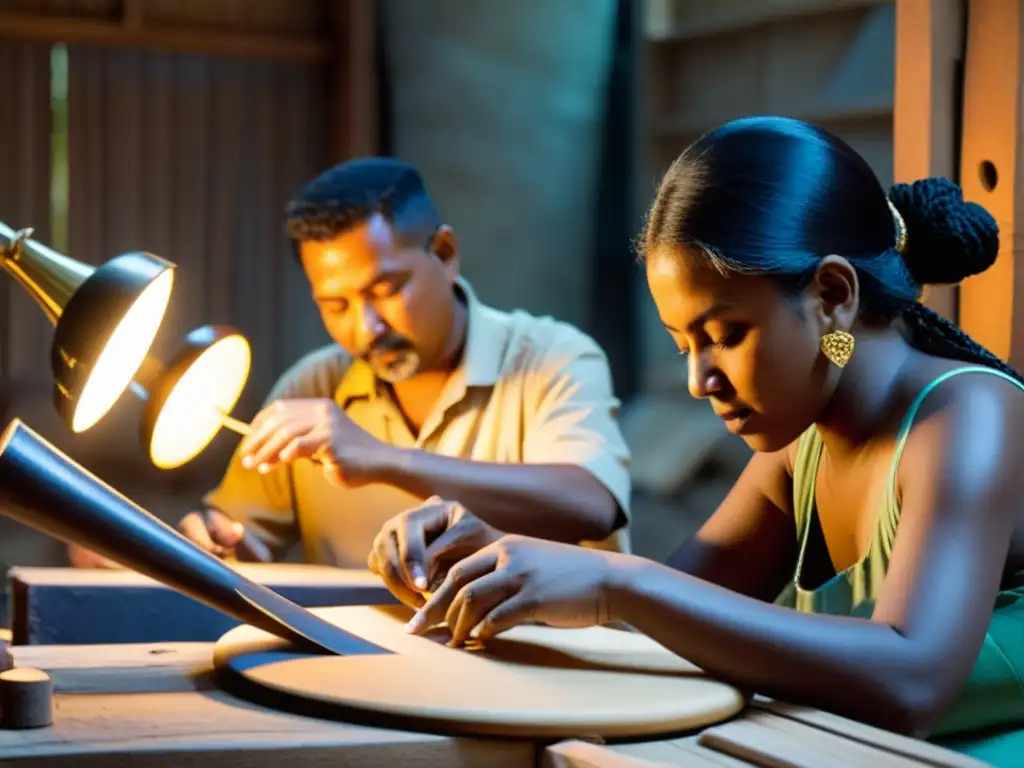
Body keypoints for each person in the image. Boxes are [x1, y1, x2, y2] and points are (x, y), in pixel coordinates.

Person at [390, 117, 1024, 763]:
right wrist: (504, 559)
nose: (700, 381)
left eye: (725, 334)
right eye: (682, 345)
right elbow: (663, 621)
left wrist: (615, 579)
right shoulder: (800, 442)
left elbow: (910, 685)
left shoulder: (968, 415)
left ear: (832, 294)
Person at [68, 157, 632, 582]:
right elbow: (240, 540)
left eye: (386, 290)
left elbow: (590, 504)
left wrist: (384, 459)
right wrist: (210, 546)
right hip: (374, 687)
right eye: (335, 305)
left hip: (557, 681)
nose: (366, 328)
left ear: (444, 252)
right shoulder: (311, 388)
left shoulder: (552, 357)